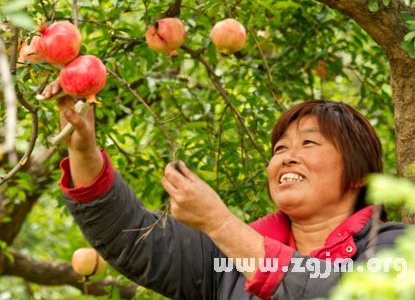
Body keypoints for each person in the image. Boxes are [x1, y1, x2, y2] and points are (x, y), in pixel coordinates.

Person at [43, 80, 407, 300]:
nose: (286, 158)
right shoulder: (226, 262)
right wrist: (83, 150)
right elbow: (132, 238)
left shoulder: (396, 248)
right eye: (279, 149)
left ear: (360, 175)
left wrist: (220, 223)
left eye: (309, 143)